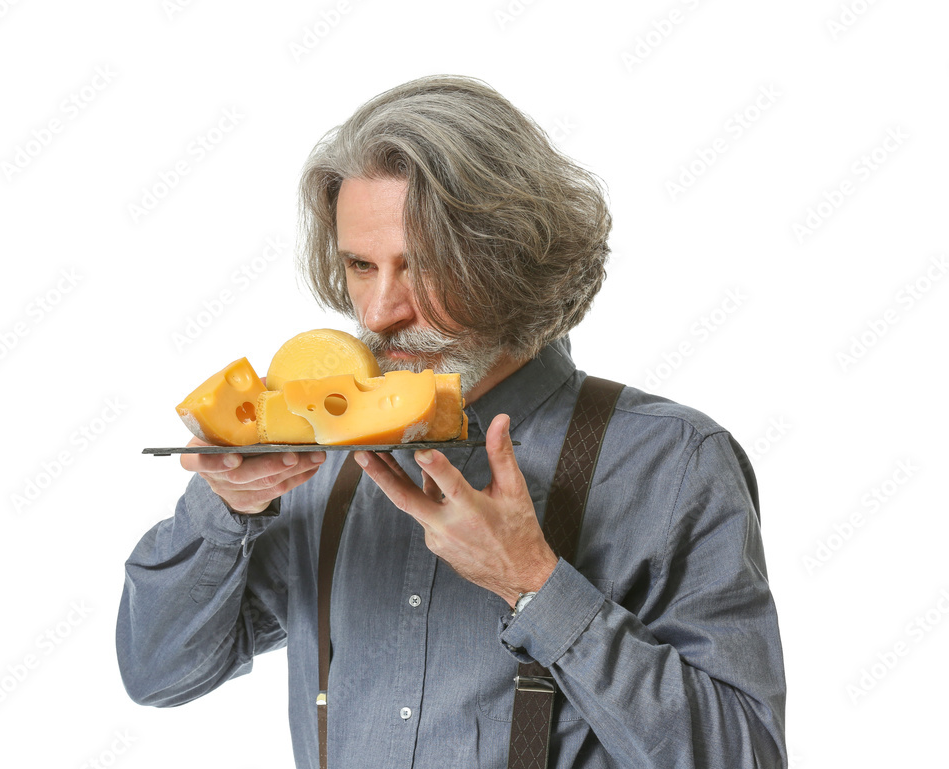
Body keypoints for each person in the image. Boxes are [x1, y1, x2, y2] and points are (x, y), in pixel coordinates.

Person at [117, 75, 787, 768]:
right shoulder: (321, 455)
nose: (380, 312)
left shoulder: (672, 460)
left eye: (423, 266)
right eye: (359, 264)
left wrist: (535, 582)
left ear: (513, 256)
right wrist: (226, 507)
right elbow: (159, 672)